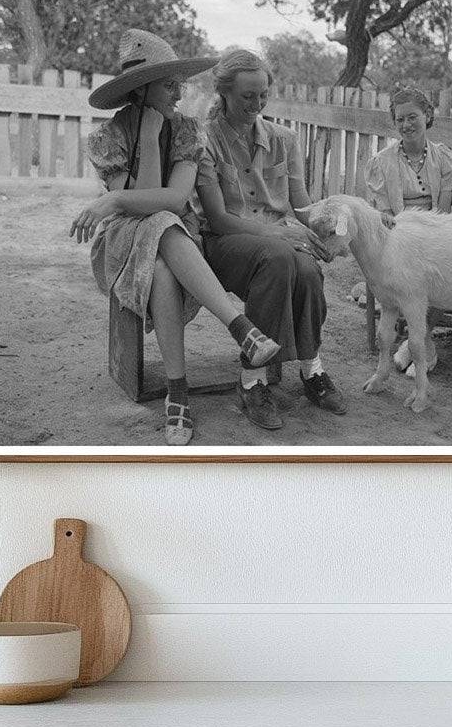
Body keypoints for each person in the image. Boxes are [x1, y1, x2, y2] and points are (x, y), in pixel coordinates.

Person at [73, 29, 281, 447]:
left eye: (178, 84)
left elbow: (173, 198)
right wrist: (147, 139)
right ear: (140, 89)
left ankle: (178, 394)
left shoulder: (187, 131)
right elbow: (151, 203)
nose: (179, 94)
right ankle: (242, 329)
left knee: (165, 252)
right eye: (169, 86)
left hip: (176, 240)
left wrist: (113, 201)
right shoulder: (106, 138)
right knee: (160, 224)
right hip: (122, 245)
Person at [196, 49, 346, 431]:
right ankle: (253, 380)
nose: (257, 104)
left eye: (263, 95)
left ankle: (312, 369)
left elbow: (302, 207)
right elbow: (218, 218)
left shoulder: (285, 139)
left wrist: (331, 225)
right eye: (248, 96)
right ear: (225, 93)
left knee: (308, 268)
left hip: (280, 243)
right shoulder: (205, 140)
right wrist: (280, 233)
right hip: (227, 243)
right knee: (280, 255)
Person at [363, 84, 452, 375]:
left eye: (412, 117)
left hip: (433, 231)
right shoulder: (382, 162)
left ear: (427, 115)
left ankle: (419, 340)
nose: (406, 125)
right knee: (409, 271)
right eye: (400, 119)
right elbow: (384, 214)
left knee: (443, 265)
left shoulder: (442, 158)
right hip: (397, 236)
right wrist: (408, 236)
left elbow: (442, 211)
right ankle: (421, 344)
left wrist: (430, 238)